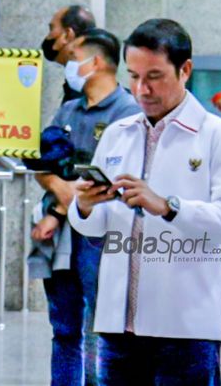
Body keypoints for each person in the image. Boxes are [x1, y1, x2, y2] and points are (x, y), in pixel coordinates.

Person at [68, 19, 221, 385]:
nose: (141, 89)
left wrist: (168, 206)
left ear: (185, 70)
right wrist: (86, 205)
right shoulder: (119, 134)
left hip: (186, 327)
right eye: (134, 75)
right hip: (118, 325)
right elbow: (95, 223)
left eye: (154, 76)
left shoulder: (218, 136)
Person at [32, 28, 141, 386]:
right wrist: (58, 198)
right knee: (63, 326)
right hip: (62, 235)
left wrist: (69, 203)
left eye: (74, 58)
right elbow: (45, 166)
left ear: (95, 63)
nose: (68, 65)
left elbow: (119, 183)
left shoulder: (128, 112)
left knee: (101, 324)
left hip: (102, 236)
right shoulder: (68, 109)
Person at [41, 5, 97, 103]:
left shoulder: (82, 91)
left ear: (67, 35)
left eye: (51, 29)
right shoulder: (85, 83)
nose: (48, 36)